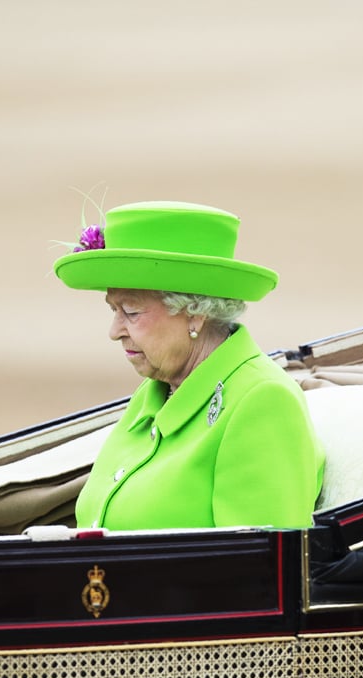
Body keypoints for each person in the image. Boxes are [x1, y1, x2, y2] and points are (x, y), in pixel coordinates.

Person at [53, 200, 324, 531]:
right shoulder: (153, 394)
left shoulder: (262, 402)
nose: (114, 332)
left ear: (195, 312)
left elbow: (260, 569)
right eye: (114, 310)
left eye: (132, 312)